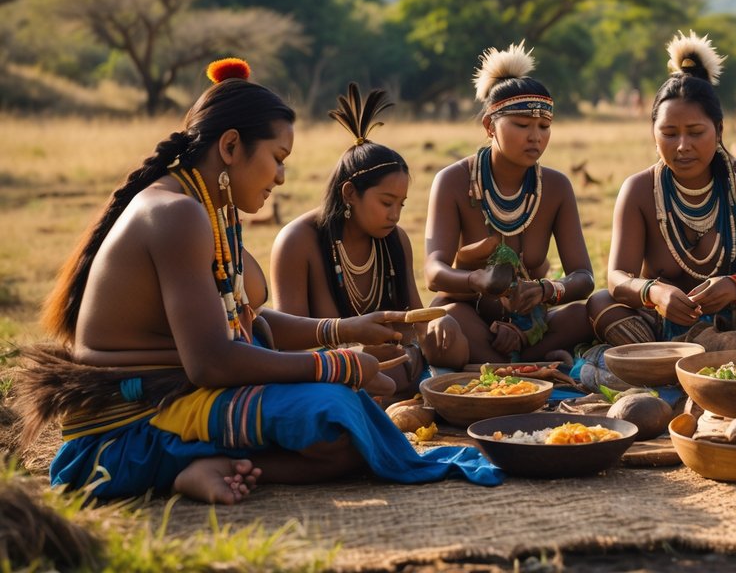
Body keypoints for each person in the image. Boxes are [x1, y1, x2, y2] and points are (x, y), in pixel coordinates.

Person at [19, 59, 500, 505]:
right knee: (336, 418)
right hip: (130, 428)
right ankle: (177, 467)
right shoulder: (177, 214)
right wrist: (336, 366)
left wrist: (347, 329)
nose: (284, 177)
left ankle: (204, 463)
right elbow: (210, 361)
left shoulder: (208, 208)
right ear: (230, 147)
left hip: (183, 399)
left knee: (345, 420)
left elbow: (246, 323)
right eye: (278, 157)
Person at [585, 32, 736, 351]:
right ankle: (726, 356)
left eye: (695, 132)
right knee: (600, 304)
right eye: (669, 133)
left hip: (734, 324)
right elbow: (617, 279)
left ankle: (712, 354)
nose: (682, 146)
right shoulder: (638, 189)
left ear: (719, 131)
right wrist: (654, 292)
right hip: (658, 326)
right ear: (653, 134)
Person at [271, 83, 452, 395]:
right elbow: (289, 347)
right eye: (386, 203)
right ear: (350, 193)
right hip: (329, 382)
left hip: (397, 380)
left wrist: (438, 329)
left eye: (401, 204)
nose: (396, 214)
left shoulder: (395, 241)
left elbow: (415, 325)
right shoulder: (298, 242)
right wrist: (355, 359)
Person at [422, 43, 594, 366]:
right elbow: (433, 272)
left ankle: (516, 364)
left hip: (534, 326)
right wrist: (477, 281)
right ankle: (536, 365)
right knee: (445, 320)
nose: (535, 137)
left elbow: (584, 276)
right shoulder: (452, 182)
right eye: (521, 125)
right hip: (474, 321)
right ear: (490, 126)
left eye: (544, 127)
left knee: (594, 310)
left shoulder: (556, 187)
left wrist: (545, 290)